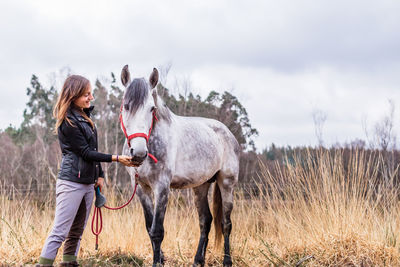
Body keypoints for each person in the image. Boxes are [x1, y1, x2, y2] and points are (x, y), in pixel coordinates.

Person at [37, 75, 135, 267]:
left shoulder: (85, 117)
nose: (90, 98)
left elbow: (94, 149)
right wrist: (116, 158)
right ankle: (43, 263)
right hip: (71, 182)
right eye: (85, 95)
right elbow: (85, 152)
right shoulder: (68, 121)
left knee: (77, 230)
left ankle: (69, 262)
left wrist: (100, 175)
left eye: (90, 94)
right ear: (73, 96)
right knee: (60, 230)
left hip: (88, 183)